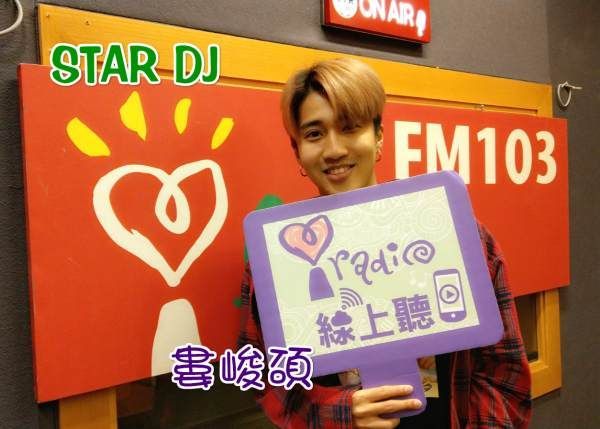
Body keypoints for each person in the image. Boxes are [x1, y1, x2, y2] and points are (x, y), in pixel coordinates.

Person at [238, 57, 532, 428]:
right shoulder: (275, 258)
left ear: (378, 135)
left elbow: (505, 375)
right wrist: (340, 413)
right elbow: (263, 376)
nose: (334, 149)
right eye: (314, 134)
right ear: (297, 150)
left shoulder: (454, 231)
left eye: (350, 127)